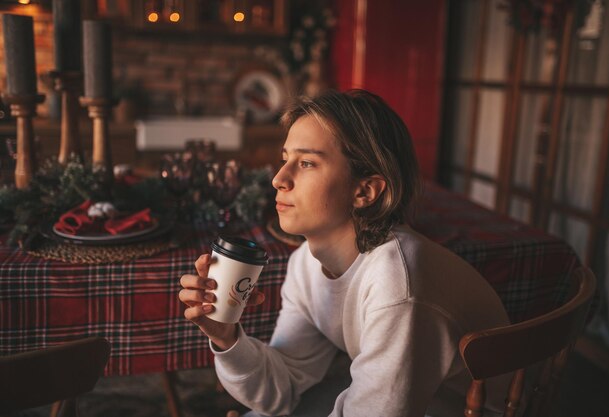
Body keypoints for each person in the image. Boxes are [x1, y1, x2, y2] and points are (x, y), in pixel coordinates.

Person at [179, 89, 510, 417]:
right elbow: (285, 387)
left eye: (307, 163)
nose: (279, 179)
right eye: (285, 160)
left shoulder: (397, 280)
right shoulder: (305, 263)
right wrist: (226, 336)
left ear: (364, 191)